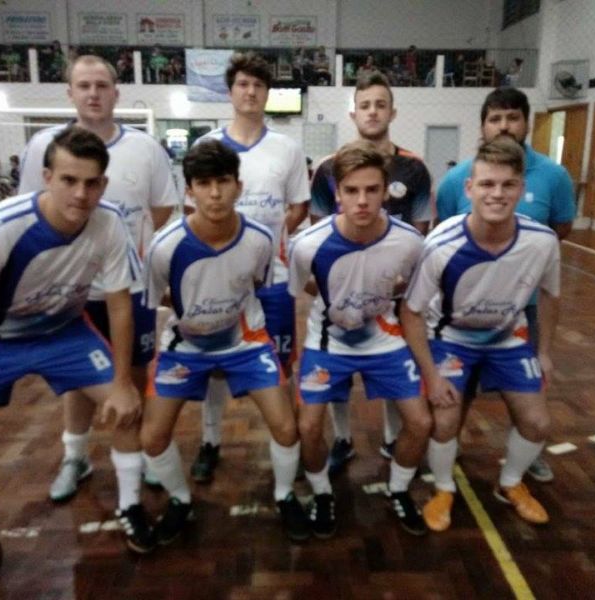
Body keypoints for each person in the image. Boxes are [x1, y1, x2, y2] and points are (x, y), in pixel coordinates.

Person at [0, 128, 154, 600]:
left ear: (103, 185)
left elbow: (119, 305)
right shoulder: (1, 226)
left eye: (91, 183)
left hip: (65, 333)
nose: (80, 194)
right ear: (47, 177)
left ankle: (131, 505)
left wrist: (121, 381)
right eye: (69, 180)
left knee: (128, 408)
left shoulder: (111, 222)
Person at [19, 54, 179, 502]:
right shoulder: (44, 146)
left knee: (133, 369)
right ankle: (76, 455)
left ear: (116, 92)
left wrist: (126, 253)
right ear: (70, 92)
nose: (93, 94)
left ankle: (137, 451)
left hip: (131, 285)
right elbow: (32, 208)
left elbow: (161, 209)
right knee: (78, 373)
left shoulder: (145, 148)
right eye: (84, 85)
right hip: (70, 288)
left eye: (102, 85)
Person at [141, 139, 310, 543]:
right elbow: (156, 298)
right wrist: (194, 310)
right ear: (189, 191)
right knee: (152, 437)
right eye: (203, 183)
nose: (215, 193)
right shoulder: (164, 247)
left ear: (239, 185)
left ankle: (285, 495)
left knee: (286, 426)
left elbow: (258, 284)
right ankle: (180, 499)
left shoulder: (260, 239)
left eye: (223, 182)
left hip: (245, 340)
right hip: (185, 346)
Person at [401, 136, 560, 531]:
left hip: (508, 338)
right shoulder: (441, 244)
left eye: (508, 184)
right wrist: (431, 375)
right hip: (450, 337)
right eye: (487, 184)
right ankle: (443, 489)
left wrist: (544, 351)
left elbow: (551, 295)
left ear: (521, 189)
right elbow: (411, 312)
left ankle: (510, 483)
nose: (497, 194)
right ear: (469, 188)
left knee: (538, 423)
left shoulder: (542, 242)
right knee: (444, 421)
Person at [290, 141, 430, 538]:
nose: (362, 200)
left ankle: (399, 489)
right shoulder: (307, 244)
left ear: (386, 191)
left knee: (421, 422)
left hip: (385, 338)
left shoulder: (410, 242)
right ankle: (322, 495)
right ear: (337, 193)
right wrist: (338, 298)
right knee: (308, 428)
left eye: (372, 189)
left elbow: (412, 294)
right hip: (327, 341)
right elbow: (302, 290)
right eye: (351, 190)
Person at [436, 87, 575, 483]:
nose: (504, 126)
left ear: (527, 123)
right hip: (463, 310)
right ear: (483, 126)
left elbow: (561, 227)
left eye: (512, 117)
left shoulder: (553, 175)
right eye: (494, 118)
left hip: (522, 308)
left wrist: (517, 264)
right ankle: (449, 444)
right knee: (457, 391)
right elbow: (447, 233)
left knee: (527, 389)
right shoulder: (457, 179)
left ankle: (528, 455)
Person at [188, 52, 309, 484]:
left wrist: (265, 243)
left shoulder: (287, 148)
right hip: (220, 277)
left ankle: (287, 440)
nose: (251, 92)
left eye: (259, 85)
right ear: (230, 91)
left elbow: (299, 206)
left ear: (267, 93)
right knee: (215, 363)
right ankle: (210, 441)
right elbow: (192, 211)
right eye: (243, 84)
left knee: (281, 363)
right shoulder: (207, 147)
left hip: (273, 278)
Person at [310, 71, 432, 475]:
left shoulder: (414, 168)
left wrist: (403, 279)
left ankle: (393, 437)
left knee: (397, 365)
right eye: (365, 105)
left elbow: (420, 233)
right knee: (337, 365)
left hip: (394, 291)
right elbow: (319, 233)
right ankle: (342, 438)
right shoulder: (328, 168)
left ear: (393, 112)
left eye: (381, 104)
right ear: (353, 114)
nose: (373, 112)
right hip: (343, 292)